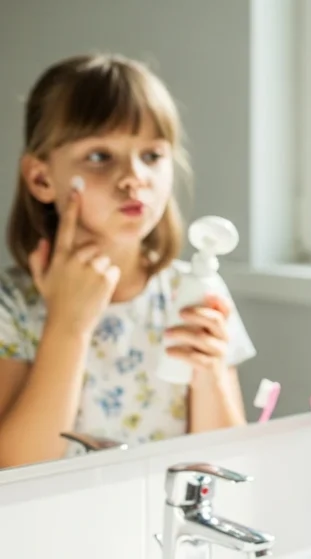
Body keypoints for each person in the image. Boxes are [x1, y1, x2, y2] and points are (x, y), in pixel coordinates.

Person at [0, 54, 255, 468]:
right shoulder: (11, 307)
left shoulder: (189, 292)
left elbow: (226, 464)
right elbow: (13, 470)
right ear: (42, 179)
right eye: (100, 156)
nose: (134, 177)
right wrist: (68, 325)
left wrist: (208, 374)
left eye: (152, 156)